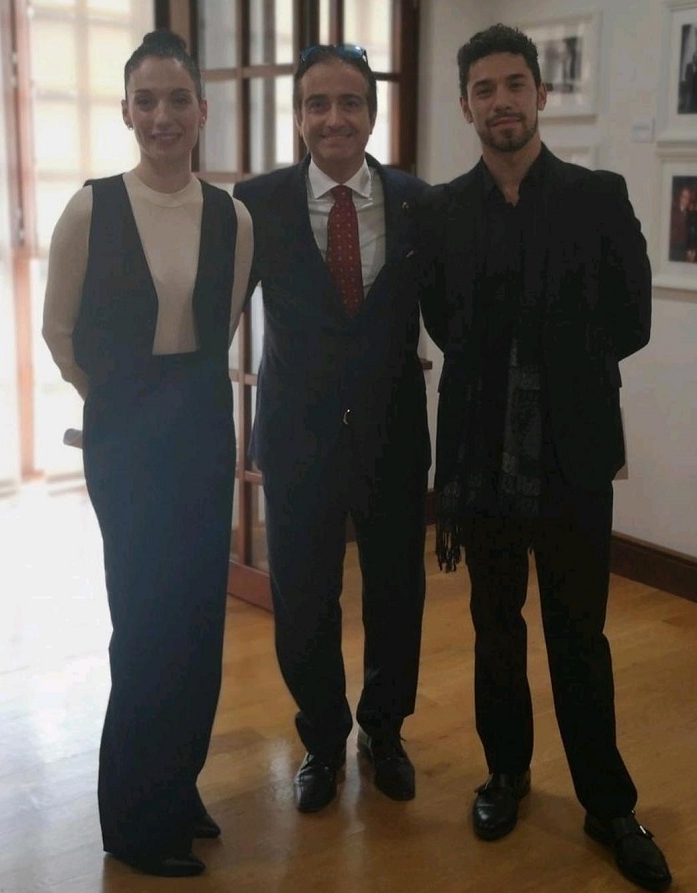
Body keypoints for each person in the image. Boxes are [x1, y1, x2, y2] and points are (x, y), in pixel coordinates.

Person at [415, 24, 672, 893]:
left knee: (579, 637)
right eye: (482, 89)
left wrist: (543, 354)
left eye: (514, 84)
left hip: (571, 455)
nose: (500, 102)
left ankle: (607, 803)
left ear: (539, 95)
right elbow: (444, 320)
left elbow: (631, 318)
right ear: (464, 107)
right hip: (479, 458)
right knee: (495, 630)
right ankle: (505, 773)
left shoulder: (597, 195)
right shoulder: (444, 210)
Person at [42, 30, 253, 878]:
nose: (162, 115)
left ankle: (179, 785)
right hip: (126, 435)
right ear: (128, 111)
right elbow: (59, 332)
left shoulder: (232, 216)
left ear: (201, 111)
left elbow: (224, 320)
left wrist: (171, 402)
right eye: (146, 100)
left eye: (177, 99)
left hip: (202, 423)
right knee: (145, 626)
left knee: (201, 620)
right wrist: (118, 402)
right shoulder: (93, 207)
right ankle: (133, 817)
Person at [233, 44, 429, 813]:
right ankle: (320, 739)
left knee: (395, 593)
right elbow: (216, 307)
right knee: (305, 600)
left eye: (349, 102)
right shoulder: (258, 200)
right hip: (297, 438)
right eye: (317, 103)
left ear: (372, 113)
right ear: (300, 117)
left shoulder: (418, 201)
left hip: (391, 436)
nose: (333, 118)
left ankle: (384, 732)